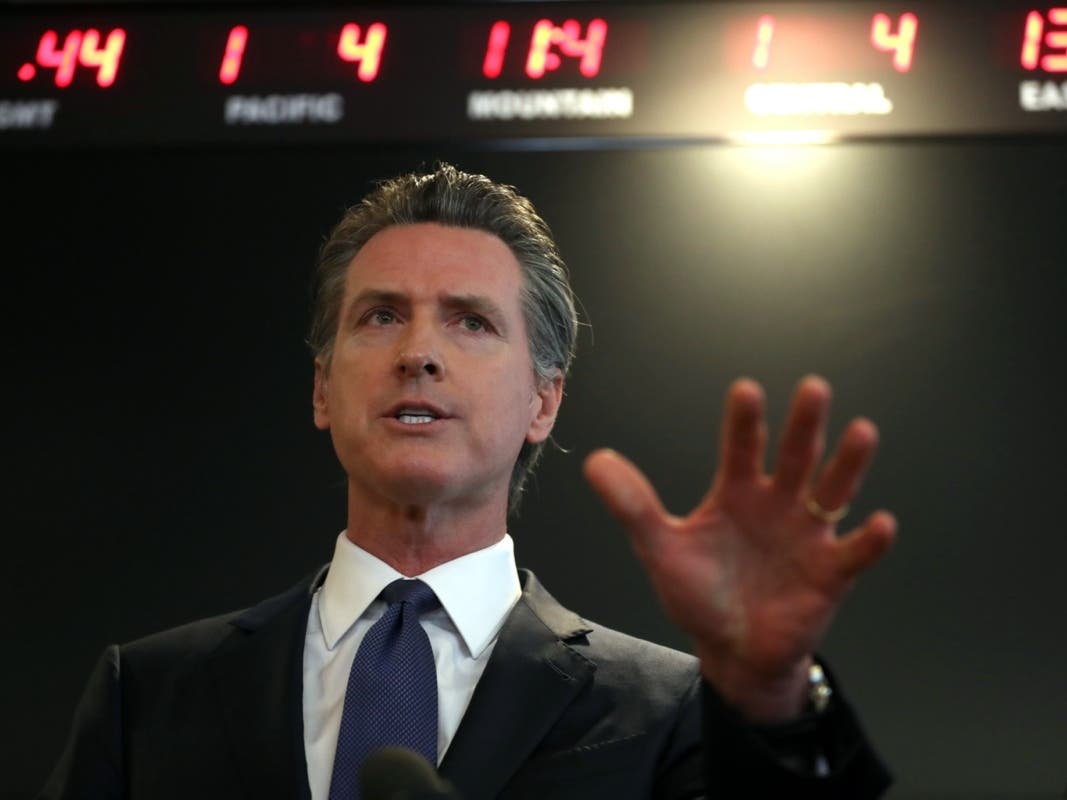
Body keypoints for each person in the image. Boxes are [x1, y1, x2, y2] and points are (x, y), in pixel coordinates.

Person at [41, 164, 897, 799]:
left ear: (542, 401)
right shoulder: (147, 696)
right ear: (321, 389)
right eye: (381, 315)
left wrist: (769, 695)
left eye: (470, 322)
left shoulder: (665, 710)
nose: (418, 352)